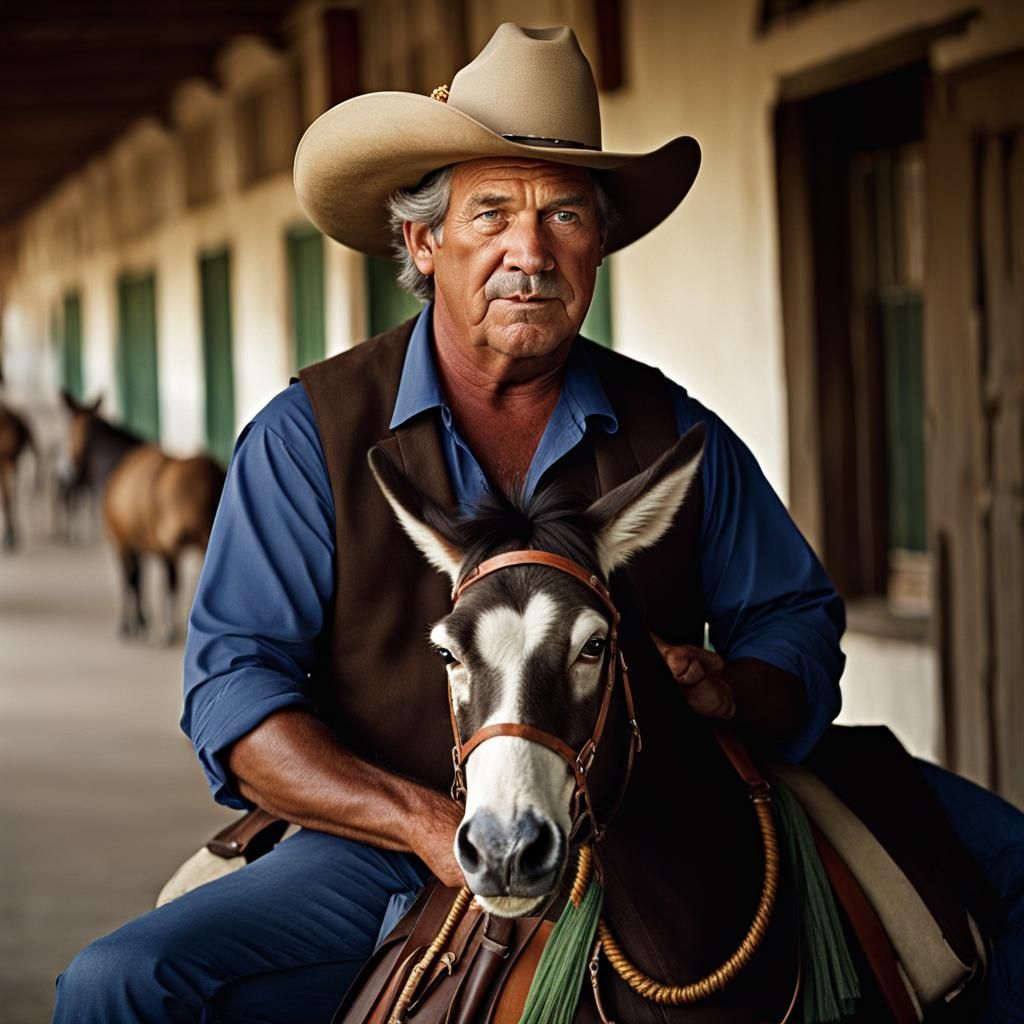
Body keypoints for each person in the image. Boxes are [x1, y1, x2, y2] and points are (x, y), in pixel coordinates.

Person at [54, 22, 1022, 1024]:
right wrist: (432, 821)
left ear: (599, 243)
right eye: (491, 213)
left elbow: (794, 621)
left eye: (564, 214)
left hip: (647, 829)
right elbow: (236, 694)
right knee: (120, 984)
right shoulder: (312, 440)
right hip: (388, 844)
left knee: (1007, 869)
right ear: (423, 242)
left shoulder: (674, 434)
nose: (531, 251)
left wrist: (732, 685)